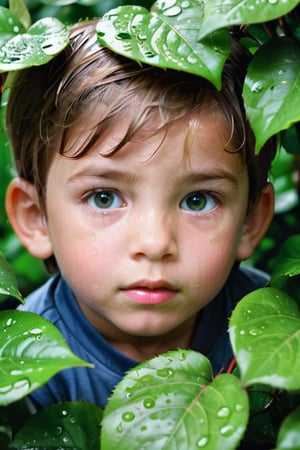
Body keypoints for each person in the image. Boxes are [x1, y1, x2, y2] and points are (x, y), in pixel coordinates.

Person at [5, 20, 275, 410]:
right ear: (35, 217)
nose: (154, 243)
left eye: (198, 200)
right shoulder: (24, 378)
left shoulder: (274, 330)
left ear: (250, 219)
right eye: (103, 197)